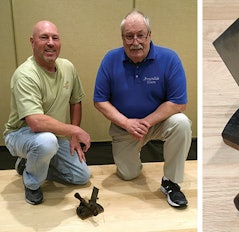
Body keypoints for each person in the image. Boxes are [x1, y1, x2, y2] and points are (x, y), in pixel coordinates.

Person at [93, 9, 192, 207]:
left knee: (181, 123)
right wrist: (127, 123)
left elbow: (179, 102)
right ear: (122, 38)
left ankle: (171, 182)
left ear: (149, 35)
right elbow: (99, 100)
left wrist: (145, 123)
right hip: (124, 127)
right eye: (129, 36)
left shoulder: (170, 59)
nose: (135, 41)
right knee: (128, 175)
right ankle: (133, 159)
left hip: (157, 123)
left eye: (140, 35)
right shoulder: (109, 60)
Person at [3, 21, 91, 205]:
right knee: (46, 142)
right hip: (21, 134)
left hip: (54, 136)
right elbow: (35, 122)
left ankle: (30, 163)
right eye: (44, 37)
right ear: (32, 42)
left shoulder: (67, 67)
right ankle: (33, 182)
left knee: (81, 176)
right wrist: (74, 131)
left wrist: (74, 134)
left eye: (55, 38)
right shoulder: (25, 75)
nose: (50, 42)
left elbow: (76, 101)